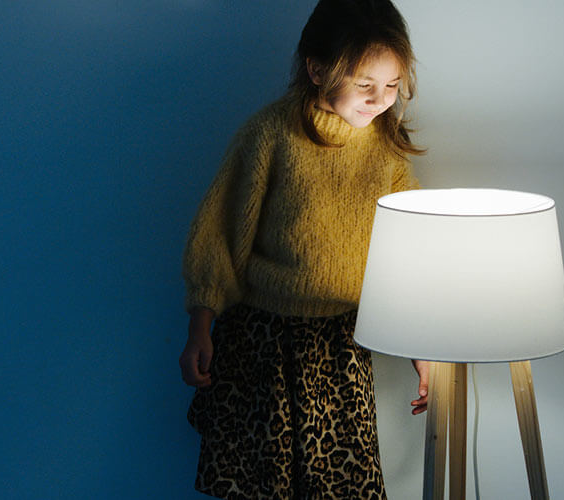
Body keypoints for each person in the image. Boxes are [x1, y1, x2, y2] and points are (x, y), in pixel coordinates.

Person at [177, 1, 431, 498]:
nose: (380, 99)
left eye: (392, 85)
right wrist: (200, 326)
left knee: (339, 484)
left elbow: (406, 257)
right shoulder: (270, 134)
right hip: (263, 344)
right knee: (262, 485)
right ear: (317, 70)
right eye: (364, 85)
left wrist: (421, 350)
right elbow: (220, 234)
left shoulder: (386, 152)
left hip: (340, 347)